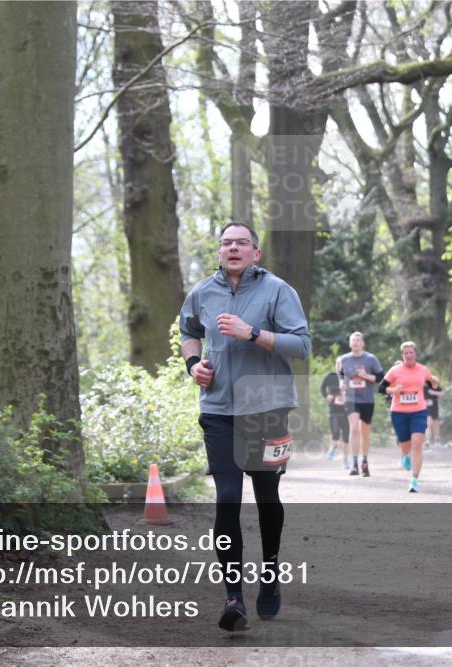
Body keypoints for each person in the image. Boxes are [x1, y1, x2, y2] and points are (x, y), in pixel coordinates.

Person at [179, 221, 310, 632]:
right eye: (226, 243)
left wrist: (253, 333)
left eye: (241, 243)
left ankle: (269, 572)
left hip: (267, 408)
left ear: (256, 252)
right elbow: (188, 331)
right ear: (219, 252)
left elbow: (301, 345)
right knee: (228, 497)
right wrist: (193, 365)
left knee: (267, 495)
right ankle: (233, 596)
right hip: (218, 410)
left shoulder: (277, 290)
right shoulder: (202, 292)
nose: (233, 248)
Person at [381, 342, 435, 493]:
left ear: (415, 354)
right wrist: (393, 389)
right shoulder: (395, 370)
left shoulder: (423, 370)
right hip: (399, 412)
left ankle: (414, 480)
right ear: (402, 355)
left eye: (411, 352)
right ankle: (405, 456)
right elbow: (380, 388)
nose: (409, 355)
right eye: (406, 353)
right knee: (405, 445)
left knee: (417, 444)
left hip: (419, 411)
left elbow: (431, 384)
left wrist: (434, 382)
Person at [337, 332, 384, 477]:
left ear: (363, 343)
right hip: (351, 399)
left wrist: (366, 376)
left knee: (364, 431)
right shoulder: (344, 359)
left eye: (358, 340)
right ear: (350, 343)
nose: (355, 342)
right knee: (354, 429)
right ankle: (354, 464)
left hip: (367, 399)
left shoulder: (370, 359)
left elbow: (381, 378)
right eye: (353, 340)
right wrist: (341, 383)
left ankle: (365, 462)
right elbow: (341, 375)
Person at [320, 368, 350, 467]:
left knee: (346, 435)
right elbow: (322, 387)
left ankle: (345, 460)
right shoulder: (331, 376)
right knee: (335, 432)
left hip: (347, 409)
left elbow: (357, 389)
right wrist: (327, 395)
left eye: (342, 364)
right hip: (334, 409)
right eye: (338, 363)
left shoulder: (349, 376)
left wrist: (348, 388)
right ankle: (333, 447)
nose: (340, 366)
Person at [426, 378, 445, 447]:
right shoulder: (425, 388)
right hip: (426, 408)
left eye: (436, 382)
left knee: (435, 424)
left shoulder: (437, 388)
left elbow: (442, 393)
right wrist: (425, 401)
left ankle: (437, 439)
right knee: (428, 423)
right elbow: (420, 396)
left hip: (434, 408)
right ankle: (427, 441)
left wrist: (434, 392)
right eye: (433, 382)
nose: (434, 383)